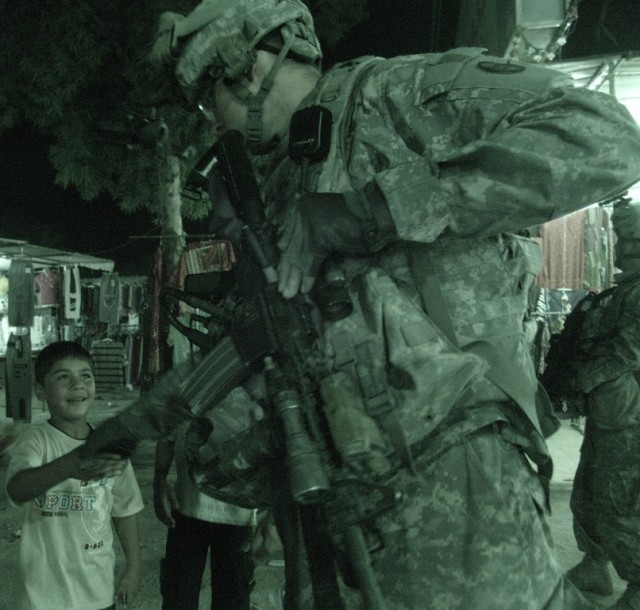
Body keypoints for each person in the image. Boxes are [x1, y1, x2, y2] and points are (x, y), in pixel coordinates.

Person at [82, 1, 640, 608]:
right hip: (356, 500)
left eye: (206, 97)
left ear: (247, 69)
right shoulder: (282, 180)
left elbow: (604, 137)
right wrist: (171, 436)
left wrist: (373, 209)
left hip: (458, 470)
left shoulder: (383, 95)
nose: (210, 118)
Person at [5, 341, 144, 610]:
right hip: (41, 597)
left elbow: (125, 509)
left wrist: (134, 566)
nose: (77, 384)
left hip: (96, 592)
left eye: (85, 376)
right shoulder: (35, 441)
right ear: (40, 391)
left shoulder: (110, 446)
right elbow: (17, 490)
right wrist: (71, 464)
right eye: (63, 377)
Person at [562, 200, 640, 610]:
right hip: (609, 413)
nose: (621, 247)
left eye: (629, 240)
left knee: (620, 499)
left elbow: (629, 352)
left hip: (630, 417)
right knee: (589, 490)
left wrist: (582, 377)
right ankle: (595, 563)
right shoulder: (621, 291)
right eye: (620, 238)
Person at [154, 391, 259, 609]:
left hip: (238, 518)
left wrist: (272, 521)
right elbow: (167, 438)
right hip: (185, 512)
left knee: (233, 600)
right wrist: (159, 480)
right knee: (178, 597)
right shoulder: (193, 385)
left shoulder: (257, 390)